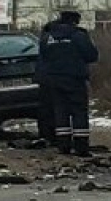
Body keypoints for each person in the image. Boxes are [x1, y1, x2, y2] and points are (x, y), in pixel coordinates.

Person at [40, 10, 99, 157]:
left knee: (60, 111)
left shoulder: (48, 37)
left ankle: (63, 145)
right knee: (79, 111)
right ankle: (81, 147)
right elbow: (92, 55)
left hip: (53, 79)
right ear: (75, 21)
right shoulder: (78, 36)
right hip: (75, 78)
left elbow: (43, 56)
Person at [34, 19, 57, 144]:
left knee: (44, 107)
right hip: (52, 77)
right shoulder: (52, 39)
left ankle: (45, 134)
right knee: (53, 107)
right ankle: (51, 134)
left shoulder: (43, 39)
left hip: (43, 77)